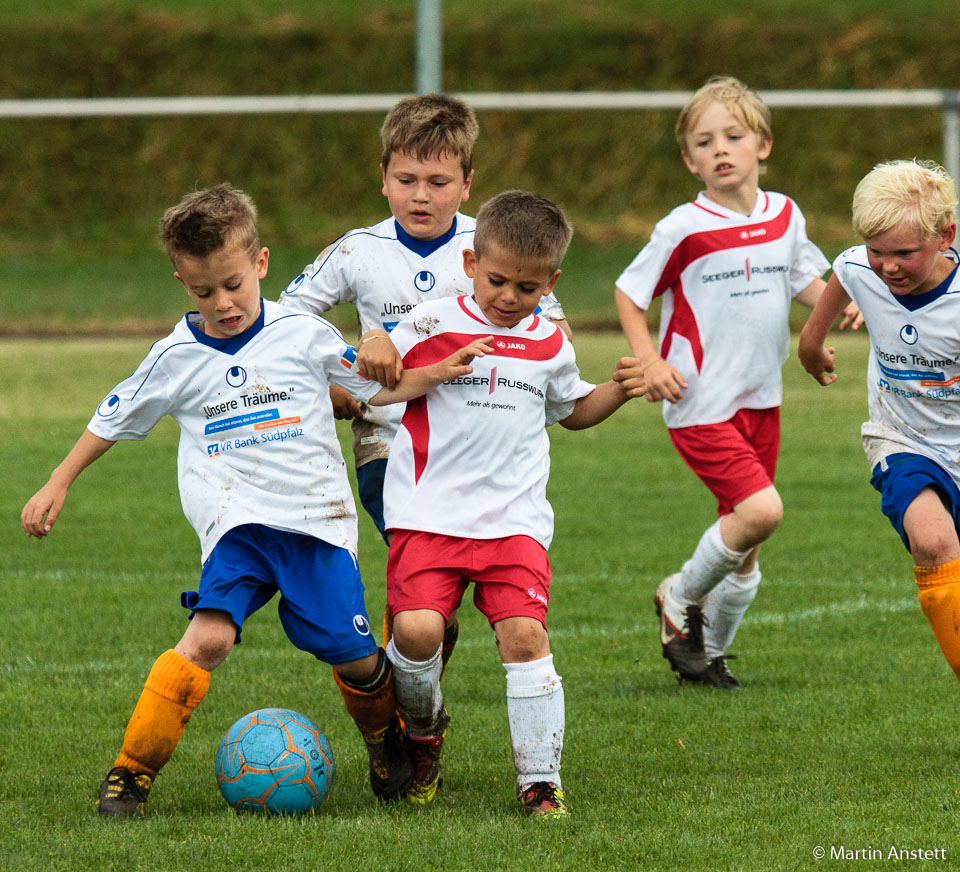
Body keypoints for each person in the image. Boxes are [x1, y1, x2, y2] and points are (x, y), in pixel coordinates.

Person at [19, 183, 492, 817]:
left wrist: (432, 373)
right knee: (206, 641)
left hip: (315, 525)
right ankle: (131, 772)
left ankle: (385, 742)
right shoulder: (175, 357)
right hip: (237, 529)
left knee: (355, 659)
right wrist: (59, 479)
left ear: (261, 264)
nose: (224, 302)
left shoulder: (304, 332)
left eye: (234, 284)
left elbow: (375, 389)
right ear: (181, 282)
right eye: (203, 291)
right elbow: (113, 416)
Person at [279, 94, 571, 674]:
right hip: (389, 444)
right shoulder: (358, 250)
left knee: (431, 612)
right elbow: (288, 321)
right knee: (420, 602)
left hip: (482, 454)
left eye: (437, 181)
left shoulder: (493, 247)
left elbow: (553, 331)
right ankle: (411, 716)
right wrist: (341, 376)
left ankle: (415, 701)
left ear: (466, 183)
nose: (420, 194)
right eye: (406, 179)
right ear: (382, 178)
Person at [378, 190, 645, 817]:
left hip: (514, 523)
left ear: (550, 283)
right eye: (496, 280)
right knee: (416, 634)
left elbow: (571, 411)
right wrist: (382, 350)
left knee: (525, 638)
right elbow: (381, 388)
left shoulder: (551, 343)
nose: (507, 297)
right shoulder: (429, 324)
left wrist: (620, 389)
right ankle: (422, 736)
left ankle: (540, 781)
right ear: (471, 262)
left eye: (526, 288)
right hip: (427, 515)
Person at [614, 76, 860, 689]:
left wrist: (840, 309)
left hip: (761, 397)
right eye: (705, 141)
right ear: (689, 160)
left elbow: (806, 282)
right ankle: (678, 597)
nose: (720, 148)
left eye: (734, 135)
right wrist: (649, 361)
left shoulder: (785, 215)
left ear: (763, 145)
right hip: (698, 401)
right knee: (761, 511)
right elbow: (627, 292)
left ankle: (708, 657)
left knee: (747, 550)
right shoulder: (683, 227)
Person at [798, 159, 960, 685]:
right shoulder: (855, 268)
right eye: (878, 251)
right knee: (933, 542)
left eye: (905, 254)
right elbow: (812, 335)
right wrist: (814, 353)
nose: (887, 266)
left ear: (945, 236)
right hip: (902, 440)